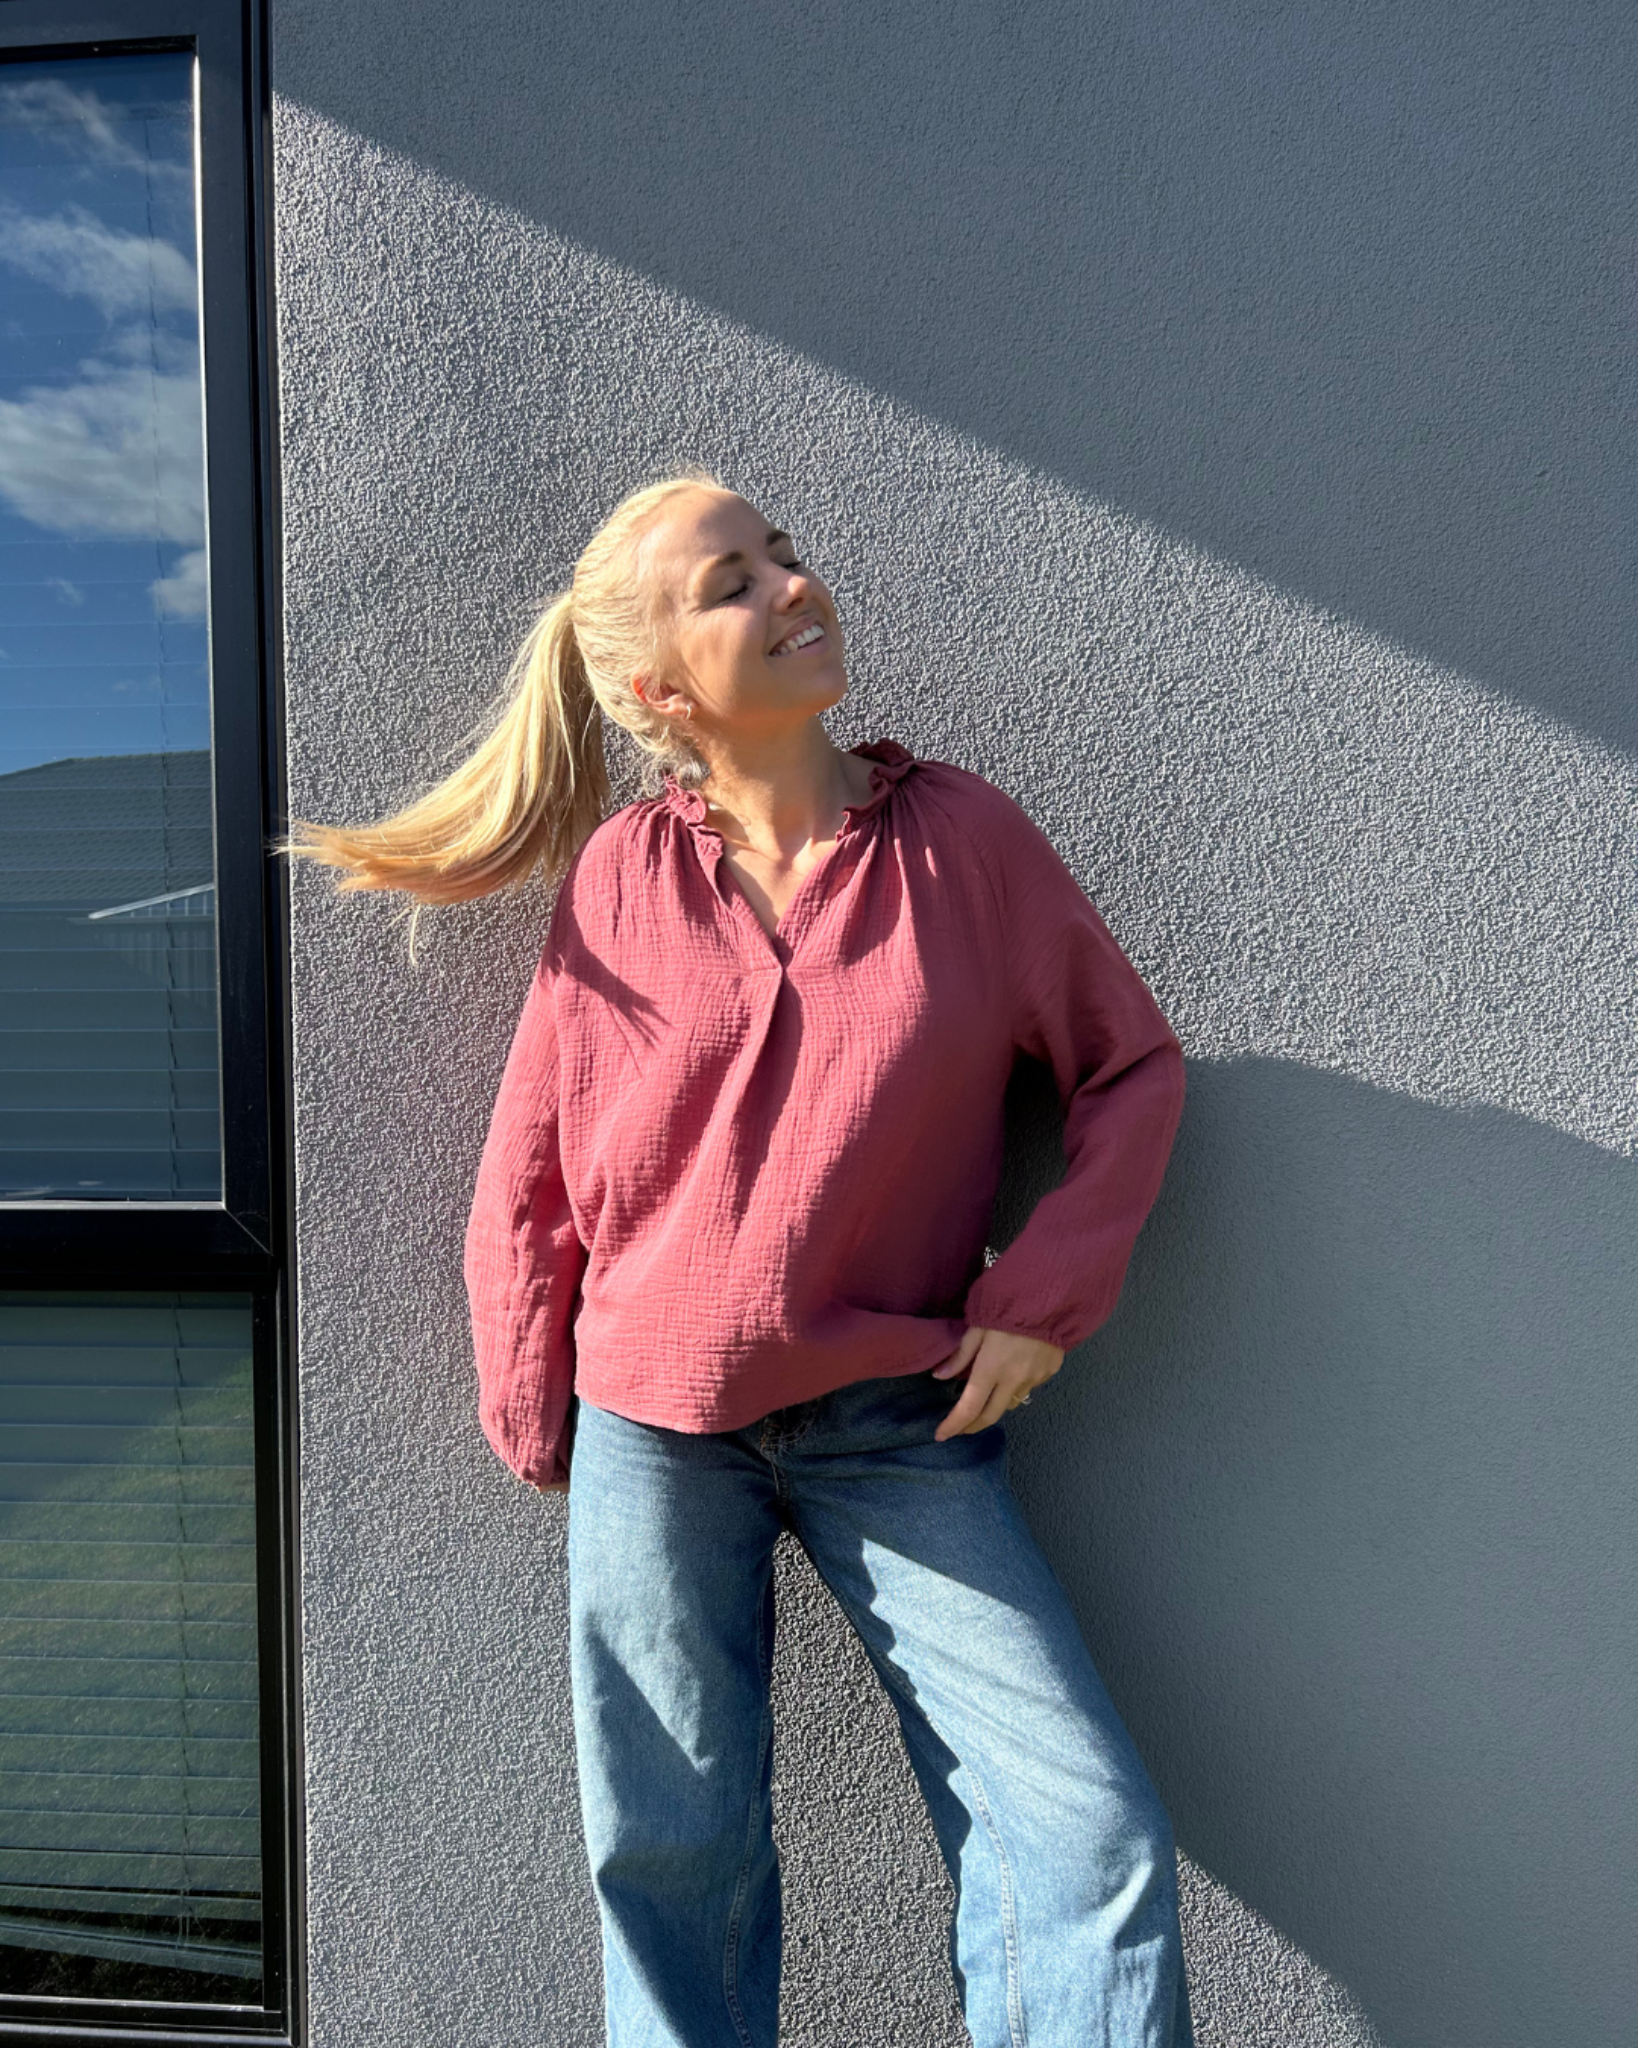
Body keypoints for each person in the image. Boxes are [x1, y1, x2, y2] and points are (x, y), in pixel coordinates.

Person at [288, 471, 1195, 2048]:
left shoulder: (962, 845)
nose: (789, 587)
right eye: (731, 583)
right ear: (658, 692)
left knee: (1083, 1834)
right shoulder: (618, 880)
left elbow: (1130, 1070)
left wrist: (1042, 1301)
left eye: (782, 554)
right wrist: (533, 1401)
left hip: (899, 1422)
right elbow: (531, 1164)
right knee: (672, 1853)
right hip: (651, 1429)